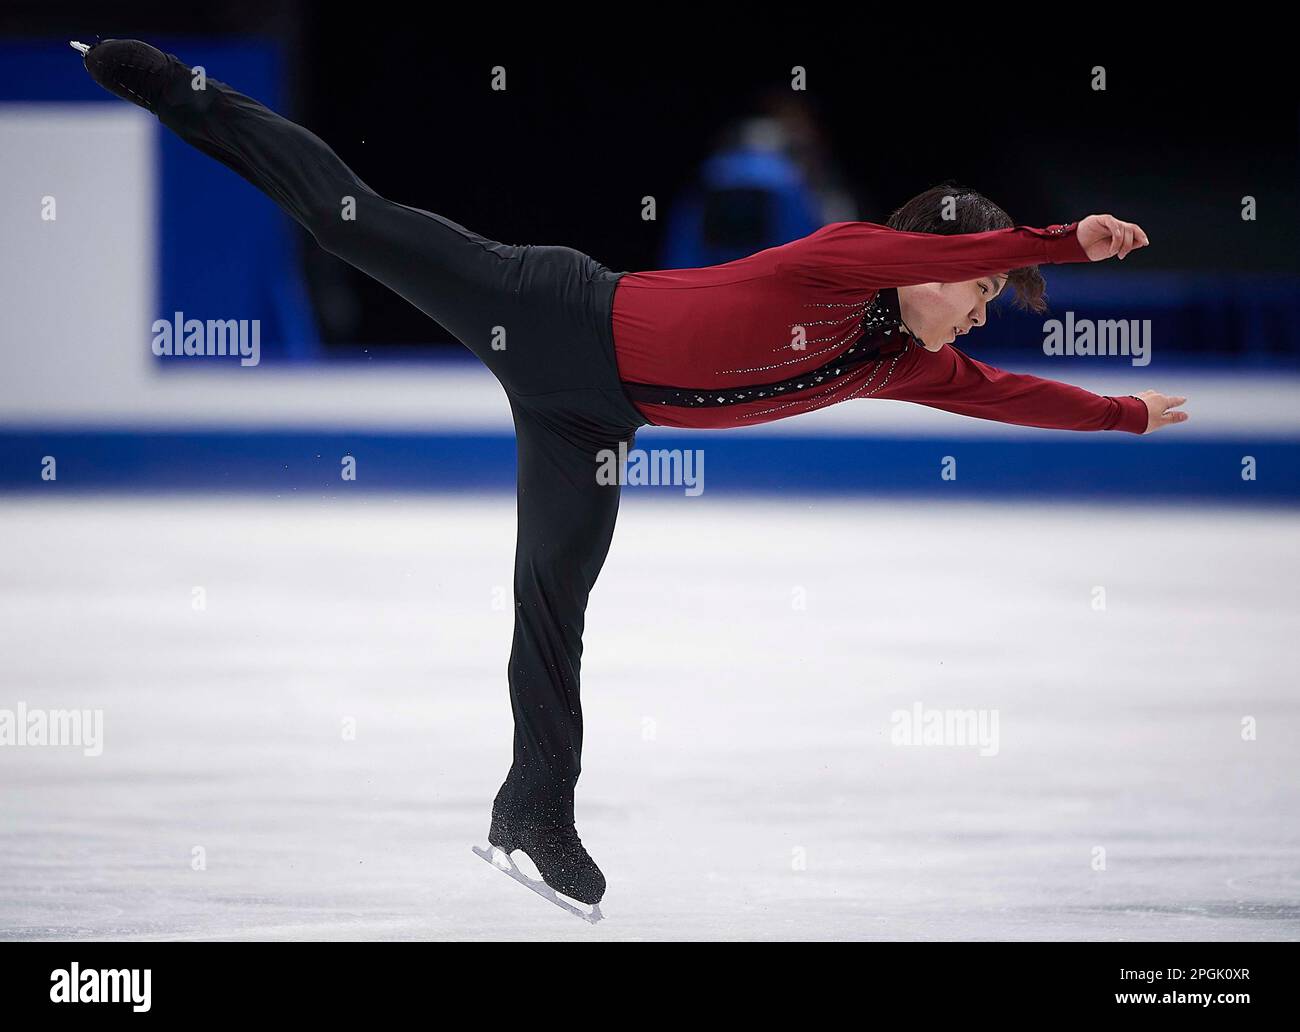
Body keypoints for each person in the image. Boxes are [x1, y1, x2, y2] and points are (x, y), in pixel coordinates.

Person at [75, 39, 1187, 917]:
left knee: (553, 604)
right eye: (984, 285)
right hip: (548, 309)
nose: (983, 310)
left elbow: (1001, 392)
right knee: (344, 218)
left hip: (592, 419)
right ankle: (178, 89)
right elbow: (936, 259)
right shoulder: (852, 253)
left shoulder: (901, 359)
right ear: (941, 255)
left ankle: (533, 807)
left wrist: (1119, 413)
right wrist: (1064, 242)